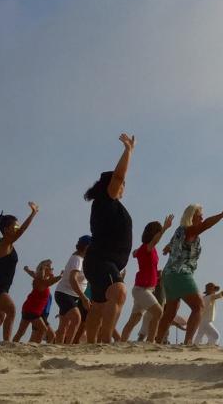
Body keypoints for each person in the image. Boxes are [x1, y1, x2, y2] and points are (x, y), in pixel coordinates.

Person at [82, 134, 136, 343]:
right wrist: (128, 150)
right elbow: (119, 177)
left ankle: (92, 342)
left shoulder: (108, 204)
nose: (123, 186)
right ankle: (105, 340)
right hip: (101, 261)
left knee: (98, 305)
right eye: (121, 184)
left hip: (101, 261)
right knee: (119, 292)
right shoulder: (105, 199)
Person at [155, 200, 223, 344]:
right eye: (199, 215)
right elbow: (205, 225)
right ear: (191, 216)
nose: (202, 218)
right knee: (199, 306)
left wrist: (168, 247)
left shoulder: (180, 231)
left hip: (168, 275)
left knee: (171, 311)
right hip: (180, 273)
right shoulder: (189, 230)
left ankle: (158, 340)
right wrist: (221, 215)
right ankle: (188, 341)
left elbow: (172, 244)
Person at [0, 203, 40, 344]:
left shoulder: (9, 244)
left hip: (1, 287)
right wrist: (33, 214)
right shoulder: (4, 243)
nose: (17, 228)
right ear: (6, 230)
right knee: (12, 310)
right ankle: (7, 342)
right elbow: (22, 231)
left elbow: (19, 231)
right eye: (14, 227)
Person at [120, 214, 174, 342]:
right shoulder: (147, 247)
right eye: (158, 231)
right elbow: (155, 241)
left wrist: (156, 273)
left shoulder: (147, 249)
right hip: (141, 290)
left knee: (135, 319)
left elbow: (136, 254)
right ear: (154, 233)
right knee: (158, 313)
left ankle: (122, 342)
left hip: (146, 289)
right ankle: (150, 342)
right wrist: (165, 228)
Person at [52, 236, 92, 343]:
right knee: (76, 318)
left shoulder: (80, 258)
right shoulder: (77, 259)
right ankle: (68, 346)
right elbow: (72, 279)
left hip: (69, 294)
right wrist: (83, 298)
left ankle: (59, 347)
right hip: (65, 293)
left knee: (64, 324)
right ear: (87, 247)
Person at [14, 260, 61, 342]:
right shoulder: (41, 281)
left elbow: (34, 274)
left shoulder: (39, 279)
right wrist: (61, 275)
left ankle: (12, 346)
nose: (51, 269)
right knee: (42, 330)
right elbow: (52, 281)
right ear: (44, 270)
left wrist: (27, 269)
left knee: (21, 332)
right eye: (49, 268)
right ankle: (36, 347)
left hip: (29, 309)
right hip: (33, 310)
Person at [196, 280, 223, 345]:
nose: (215, 291)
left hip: (202, 320)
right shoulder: (210, 297)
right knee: (216, 336)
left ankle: (196, 346)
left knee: (200, 335)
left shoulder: (203, 298)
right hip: (205, 321)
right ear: (211, 290)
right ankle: (208, 347)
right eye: (214, 289)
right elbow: (221, 294)